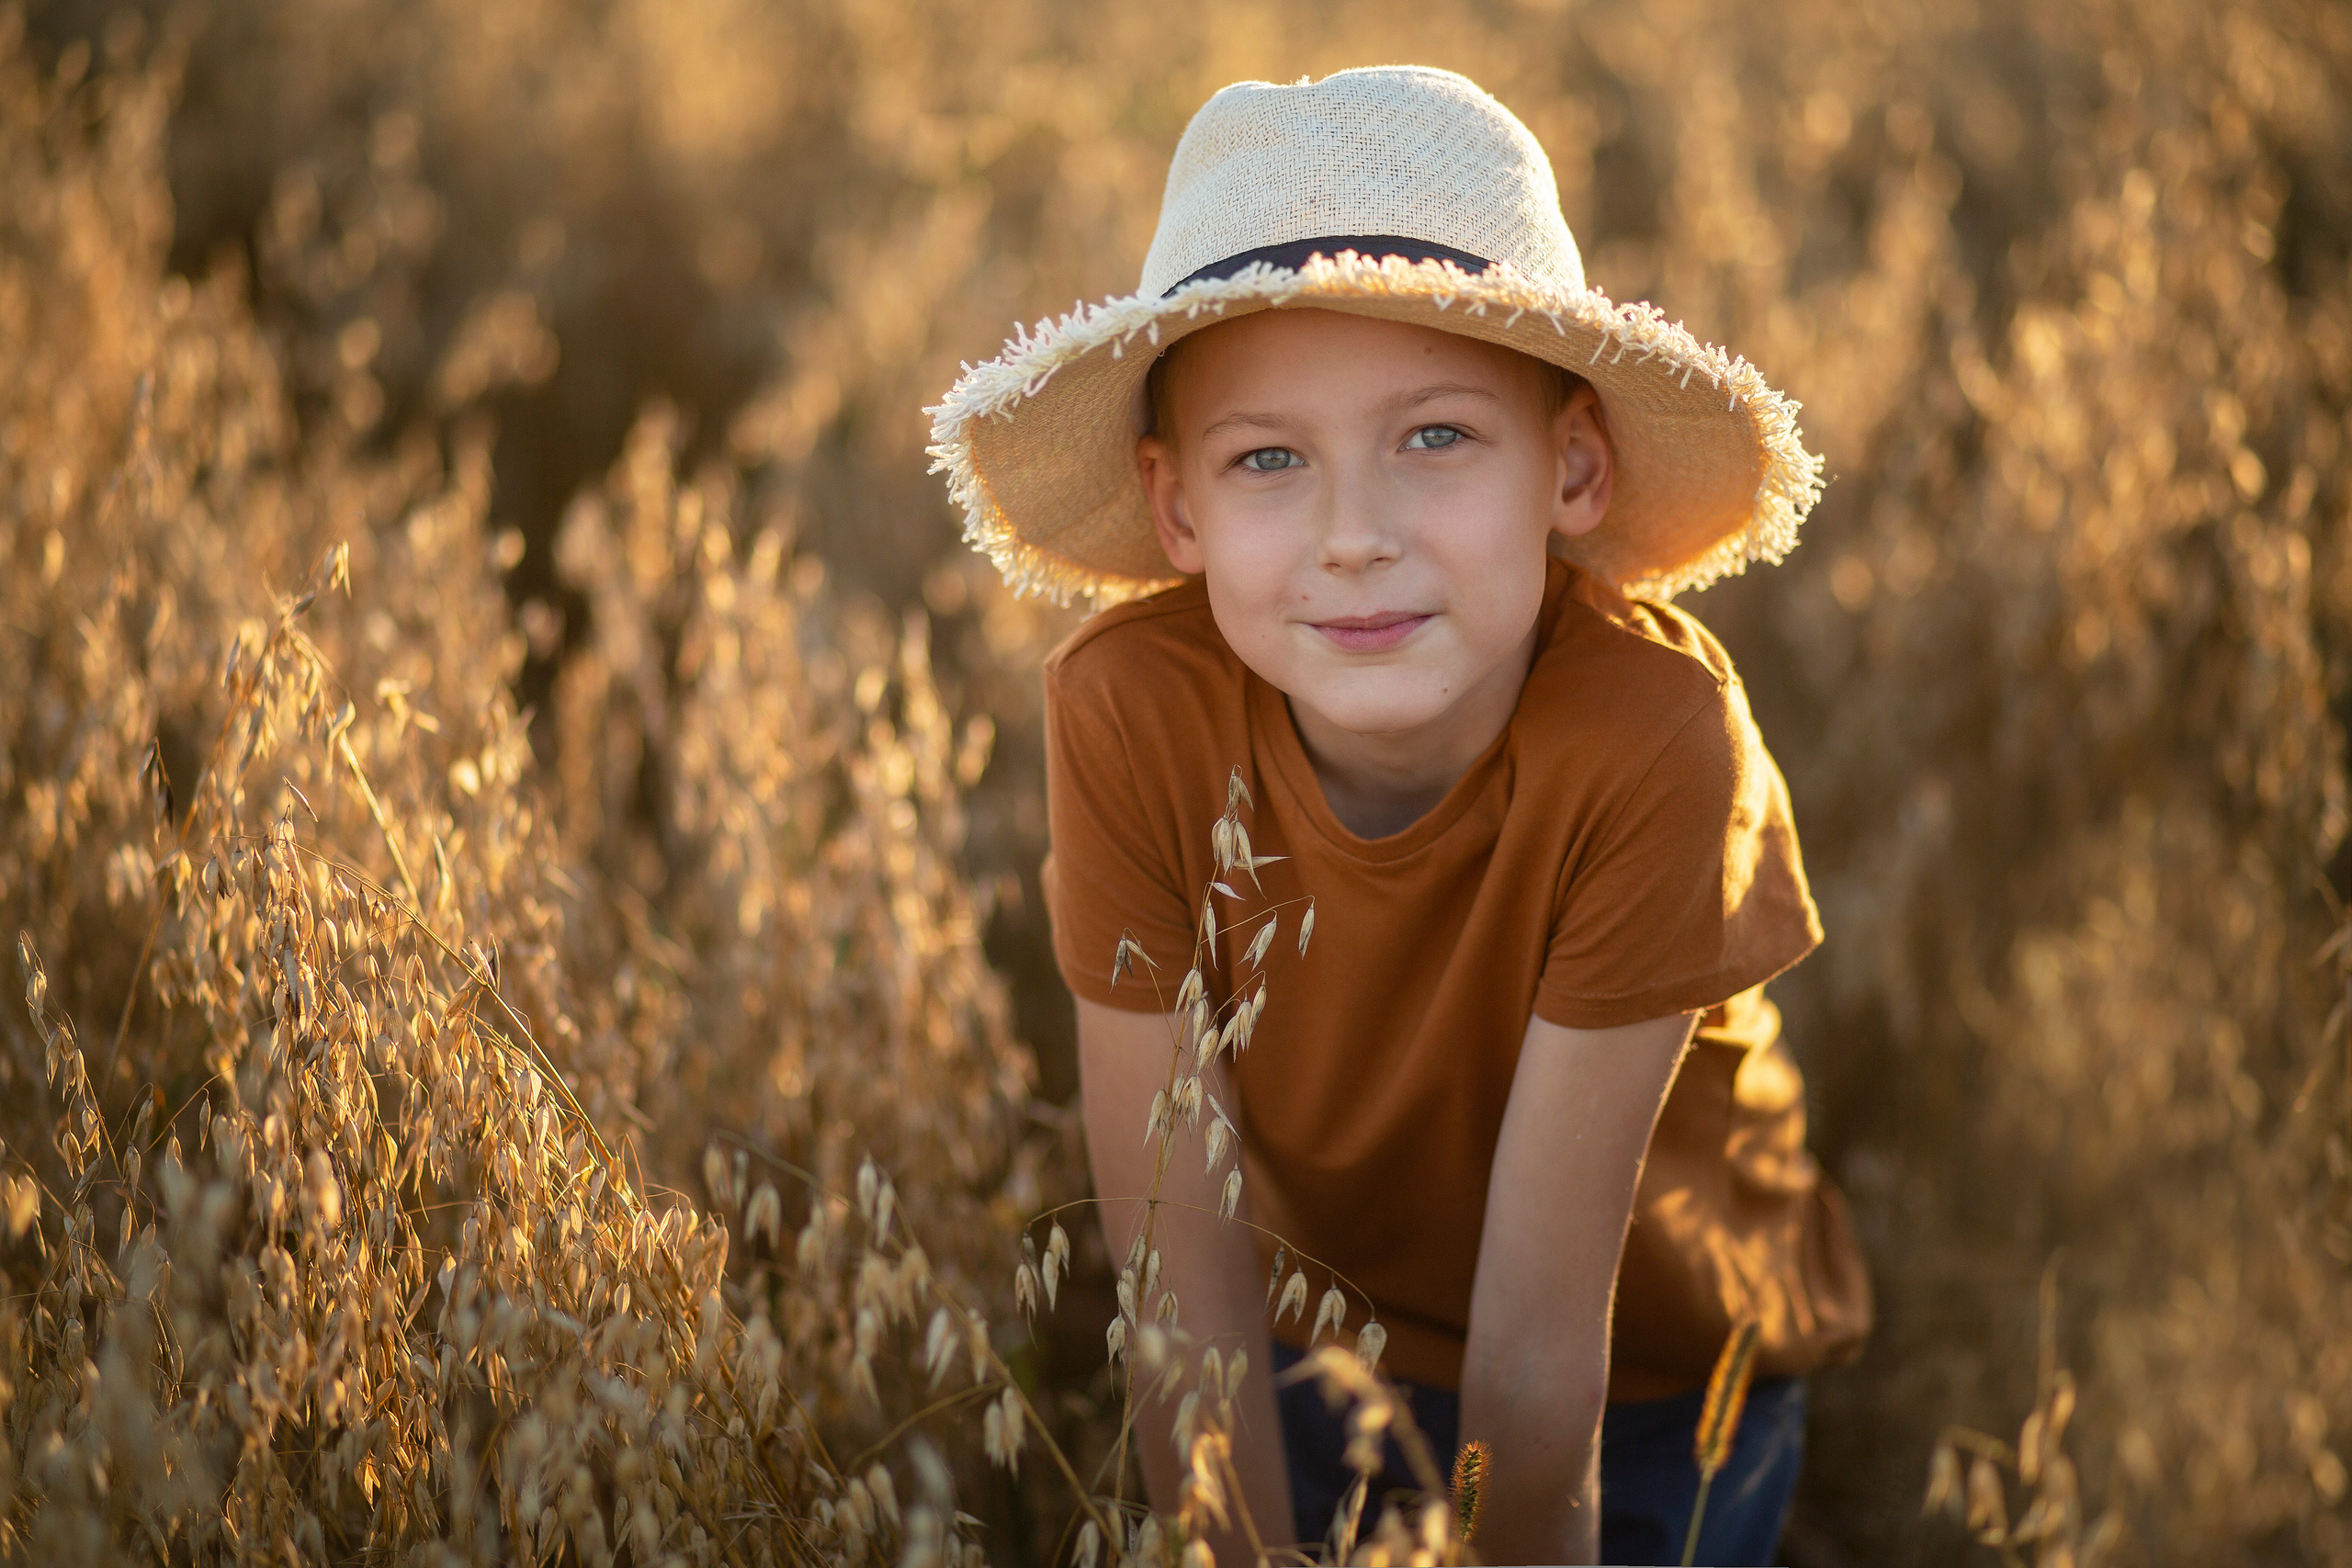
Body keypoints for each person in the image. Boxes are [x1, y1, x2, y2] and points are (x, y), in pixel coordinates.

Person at [929, 66, 1872, 1566]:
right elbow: (1182, 1272)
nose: (1354, 537)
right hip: (1328, 1346)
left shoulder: (1650, 740)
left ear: (1571, 465)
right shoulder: (1126, 711)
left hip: (1646, 1374)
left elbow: (1537, 1356)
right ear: (1176, 511)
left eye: (1436, 437)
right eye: (1267, 460)